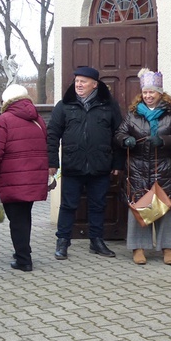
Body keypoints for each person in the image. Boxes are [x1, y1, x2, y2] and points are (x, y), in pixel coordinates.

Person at [47, 66, 124, 260]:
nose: (79, 85)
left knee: (98, 205)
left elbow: (119, 135)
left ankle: (96, 241)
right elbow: (52, 135)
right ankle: (63, 241)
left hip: (100, 165)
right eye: (77, 81)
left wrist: (118, 163)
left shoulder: (109, 105)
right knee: (68, 205)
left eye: (83, 81)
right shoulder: (64, 105)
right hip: (73, 165)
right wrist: (52, 162)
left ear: (94, 84)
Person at [114, 69, 171, 265]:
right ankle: (138, 248)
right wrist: (126, 140)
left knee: (165, 206)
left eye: (152, 92)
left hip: (165, 168)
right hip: (137, 167)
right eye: (145, 93)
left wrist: (163, 140)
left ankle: (167, 249)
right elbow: (119, 134)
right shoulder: (133, 114)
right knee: (139, 205)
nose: (148, 96)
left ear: (160, 93)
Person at [0, 84, 48, 272]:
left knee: (17, 220)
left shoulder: (2, 121)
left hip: (11, 180)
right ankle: (23, 251)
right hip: (33, 178)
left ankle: (23, 259)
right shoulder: (39, 120)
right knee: (24, 217)